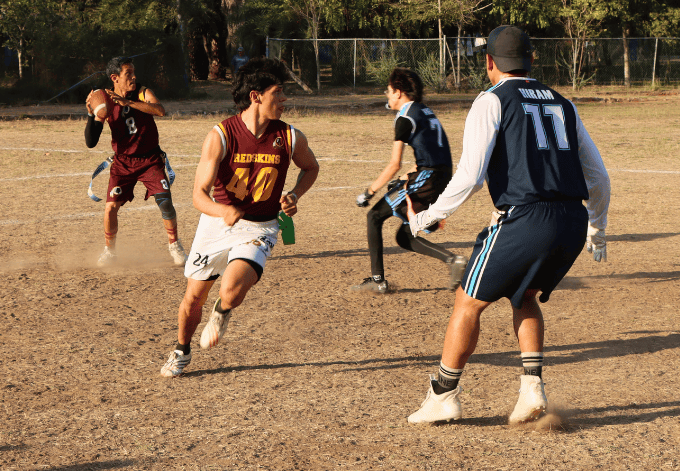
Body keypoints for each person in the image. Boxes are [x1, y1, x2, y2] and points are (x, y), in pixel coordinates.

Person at [404, 25, 611, 426]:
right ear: (532, 59)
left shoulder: (492, 99)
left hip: (526, 217)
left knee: (468, 302)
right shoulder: (564, 103)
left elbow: (470, 176)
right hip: (570, 220)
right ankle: (532, 389)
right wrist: (596, 228)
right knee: (524, 296)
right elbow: (599, 177)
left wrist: (427, 216)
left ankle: (444, 396)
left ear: (489, 62)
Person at [160, 57, 319, 378]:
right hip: (216, 224)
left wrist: (294, 195)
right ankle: (181, 350)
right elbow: (198, 196)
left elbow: (311, 167)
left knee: (231, 290)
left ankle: (222, 311)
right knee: (193, 298)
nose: (285, 99)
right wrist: (223, 210)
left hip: (260, 227)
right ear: (255, 96)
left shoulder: (290, 137)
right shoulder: (220, 135)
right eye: (278, 92)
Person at [354, 68, 466, 294]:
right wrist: (406, 177)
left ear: (398, 92)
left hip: (427, 178)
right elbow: (430, 152)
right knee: (405, 236)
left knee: (374, 216)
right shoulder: (424, 110)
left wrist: (369, 192)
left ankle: (377, 281)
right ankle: (453, 260)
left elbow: (394, 163)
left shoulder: (404, 117)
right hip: (440, 175)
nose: (387, 95)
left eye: (388, 91)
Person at [84, 56, 185, 266]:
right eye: (128, 73)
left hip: (150, 159)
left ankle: (175, 246)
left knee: (165, 201)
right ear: (115, 78)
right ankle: (110, 252)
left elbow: (160, 110)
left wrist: (129, 103)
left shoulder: (141, 92)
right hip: (123, 162)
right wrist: (91, 114)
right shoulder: (105, 99)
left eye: (133, 72)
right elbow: (91, 142)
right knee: (110, 208)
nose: (133, 77)